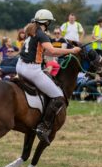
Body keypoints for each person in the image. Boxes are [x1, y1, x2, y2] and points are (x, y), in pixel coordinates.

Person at [17, 9, 81, 144]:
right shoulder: (41, 34)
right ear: (46, 22)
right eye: (50, 22)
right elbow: (51, 50)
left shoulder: (31, 31)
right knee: (58, 96)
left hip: (20, 66)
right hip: (31, 70)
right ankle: (43, 127)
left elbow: (47, 52)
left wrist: (66, 53)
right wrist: (72, 50)